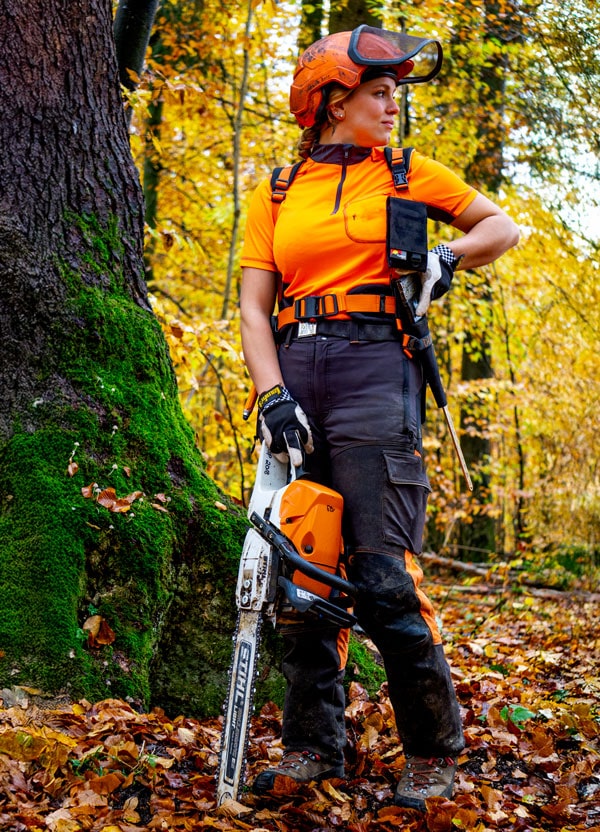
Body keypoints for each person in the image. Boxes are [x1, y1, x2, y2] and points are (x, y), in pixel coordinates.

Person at [239, 25, 519, 810]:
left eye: (395, 93)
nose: (392, 106)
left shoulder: (406, 171)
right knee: (301, 574)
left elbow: (501, 226)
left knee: (382, 577)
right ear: (331, 101)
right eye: (377, 92)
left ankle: (432, 754)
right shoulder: (275, 190)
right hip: (297, 371)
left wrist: (446, 258)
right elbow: (255, 310)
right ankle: (312, 748)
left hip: (375, 370)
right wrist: (272, 396)